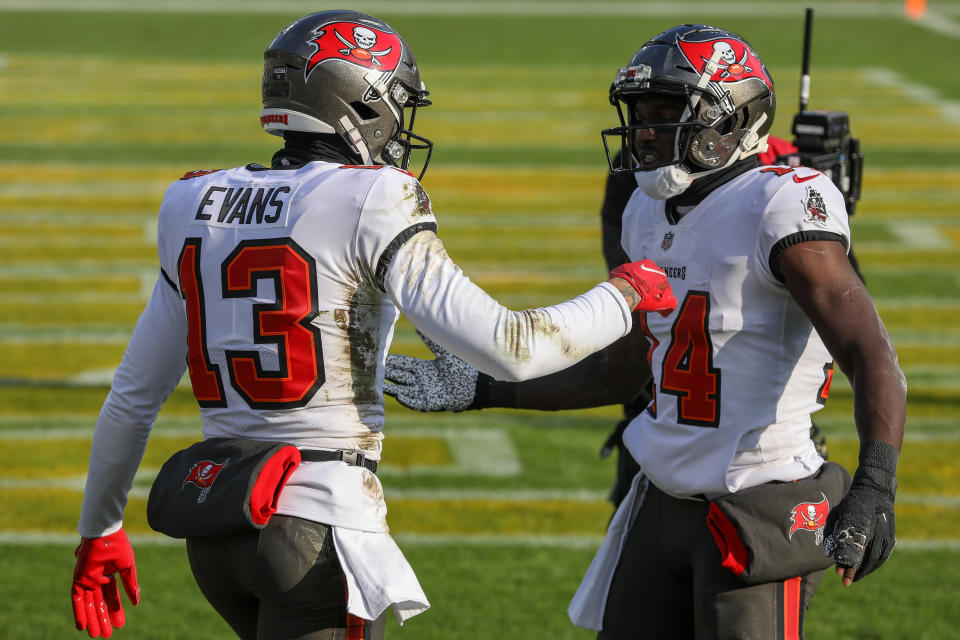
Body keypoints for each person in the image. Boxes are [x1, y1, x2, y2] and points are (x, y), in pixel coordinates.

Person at [68, 10, 680, 640]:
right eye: (397, 103)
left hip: (221, 526)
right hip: (319, 523)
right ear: (359, 102)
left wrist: (99, 529)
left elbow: (133, 397)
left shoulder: (194, 201)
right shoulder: (373, 195)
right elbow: (512, 347)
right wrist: (624, 293)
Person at [384, 24, 905, 639]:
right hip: (660, 497)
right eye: (640, 113)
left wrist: (875, 483)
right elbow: (629, 366)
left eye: (668, 112)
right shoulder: (645, 209)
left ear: (732, 119)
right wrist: (485, 388)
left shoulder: (781, 203)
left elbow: (868, 352)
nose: (646, 131)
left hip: (759, 497)